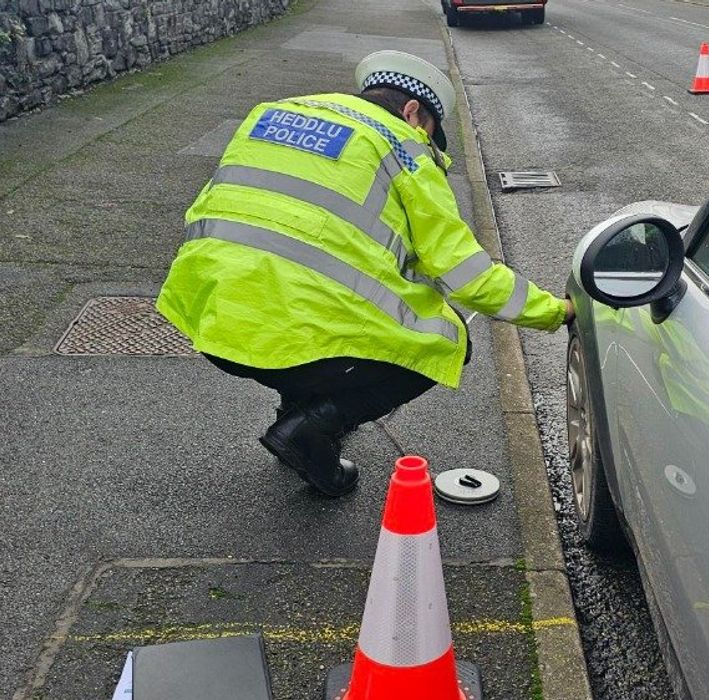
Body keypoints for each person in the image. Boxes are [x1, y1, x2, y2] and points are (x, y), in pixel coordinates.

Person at [157, 50, 573, 496]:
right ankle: (312, 428)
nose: (428, 143)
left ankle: (297, 417)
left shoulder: (271, 114)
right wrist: (556, 311)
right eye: (430, 131)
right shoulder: (404, 148)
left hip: (212, 319)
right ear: (412, 112)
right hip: (292, 339)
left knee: (298, 304)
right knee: (445, 339)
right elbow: (467, 275)